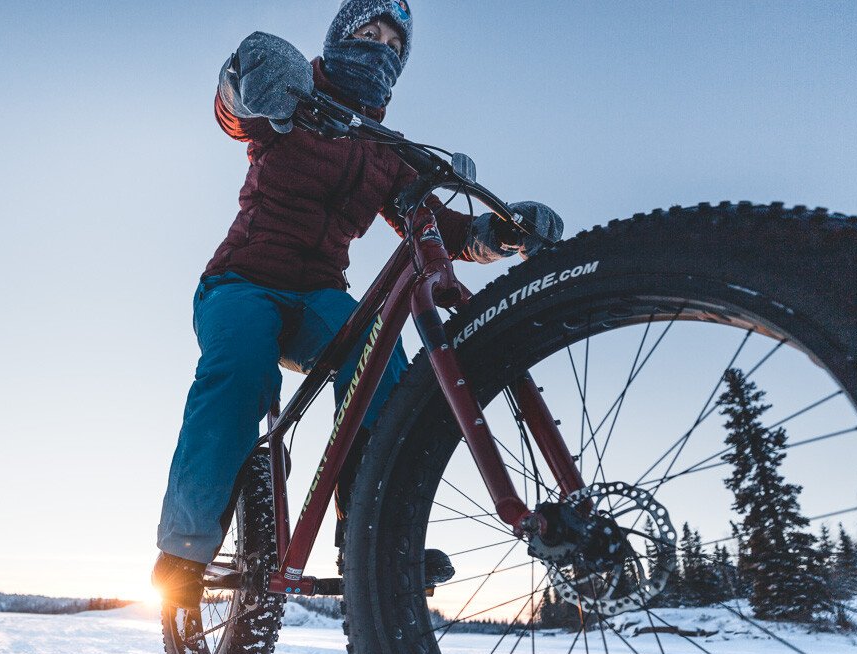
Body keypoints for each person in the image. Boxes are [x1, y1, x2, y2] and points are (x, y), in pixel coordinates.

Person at [153, 0, 563, 610]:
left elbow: (439, 228)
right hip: (241, 282)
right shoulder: (292, 100)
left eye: (394, 46)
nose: (380, 50)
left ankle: (370, 529)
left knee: (378, 353)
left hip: (321, 297)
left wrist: (499, 234)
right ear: (340, 38)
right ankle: (185, 549)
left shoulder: (383, 152)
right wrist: (248, 76)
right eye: (369, 33)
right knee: (239, 370)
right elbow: (236, 113)